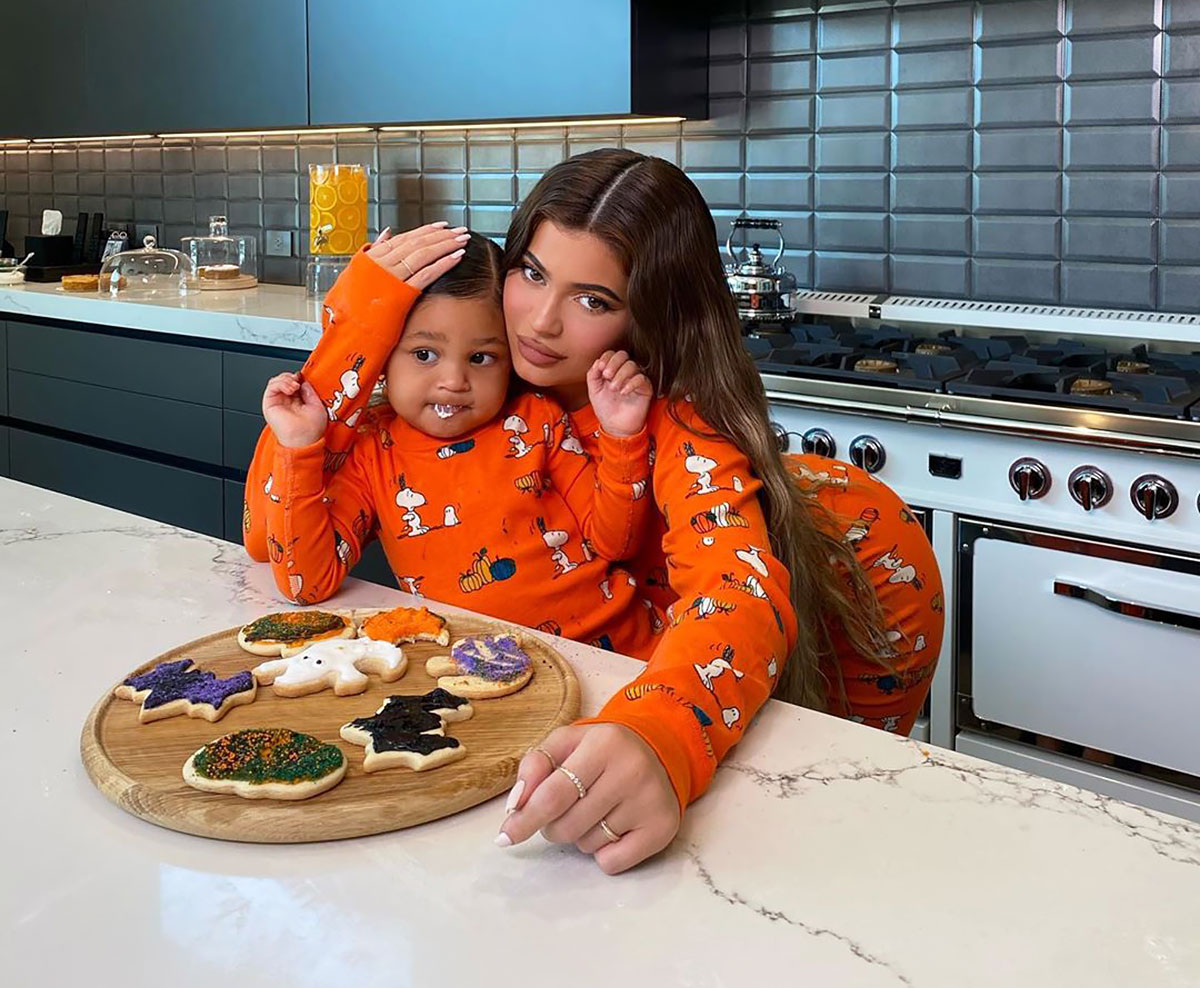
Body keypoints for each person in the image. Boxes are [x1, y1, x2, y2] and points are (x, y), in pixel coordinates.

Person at [243, 149, 941, 873]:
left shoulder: (676, 419)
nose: (541, 323)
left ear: (653, 315)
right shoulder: (473, 382)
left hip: (870, 577)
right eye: (532, 273)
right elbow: (269, 538)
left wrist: (661, 732)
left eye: (594, 300)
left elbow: (734, 586)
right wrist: (356, 327)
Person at [258, 232, 662, 640]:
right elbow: (304, 585)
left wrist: (621, 436)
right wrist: (298, 447)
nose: (453, 381)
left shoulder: (537, 419)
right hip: (484, 663)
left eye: (481, 358)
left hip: (615, 650)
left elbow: (615, 543)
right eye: (424, 354)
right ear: (383, 360)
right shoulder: (371, 451)